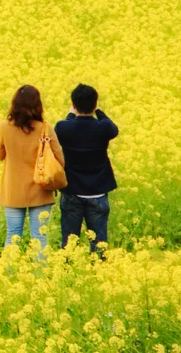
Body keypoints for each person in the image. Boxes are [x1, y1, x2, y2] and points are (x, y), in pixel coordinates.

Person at [0, 85, 65, 254]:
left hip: (13, 190)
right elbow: (60, 160)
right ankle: (40, 277)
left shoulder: (4, 127)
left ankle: (9, 275)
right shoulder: (44, 128)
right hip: (40, 189)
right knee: (40, 237)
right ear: (38, 104)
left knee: (13, 235)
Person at [56, 83, 118, 255]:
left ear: (74, 105)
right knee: (99, 244)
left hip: (72, 193)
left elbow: (64, 126)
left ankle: (67, 274)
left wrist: (71, 113)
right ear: (95, 104)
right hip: (98, 193)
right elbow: (112, 126)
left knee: (69, 243)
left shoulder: (64, 128)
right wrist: (98, 111)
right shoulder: (103, 128)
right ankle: (99, 274)